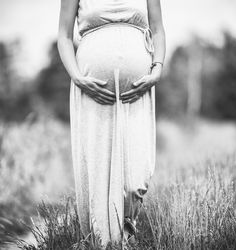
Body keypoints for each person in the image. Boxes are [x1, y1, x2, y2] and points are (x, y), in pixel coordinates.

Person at [57, 0, 166, 247]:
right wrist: (77, 77)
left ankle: (123, 232)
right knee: (97, 170)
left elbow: (158, 30)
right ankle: (104, 242)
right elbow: (63, 36)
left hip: (138, 91)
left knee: (137, 177)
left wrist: (157, 69)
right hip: (92, 88)